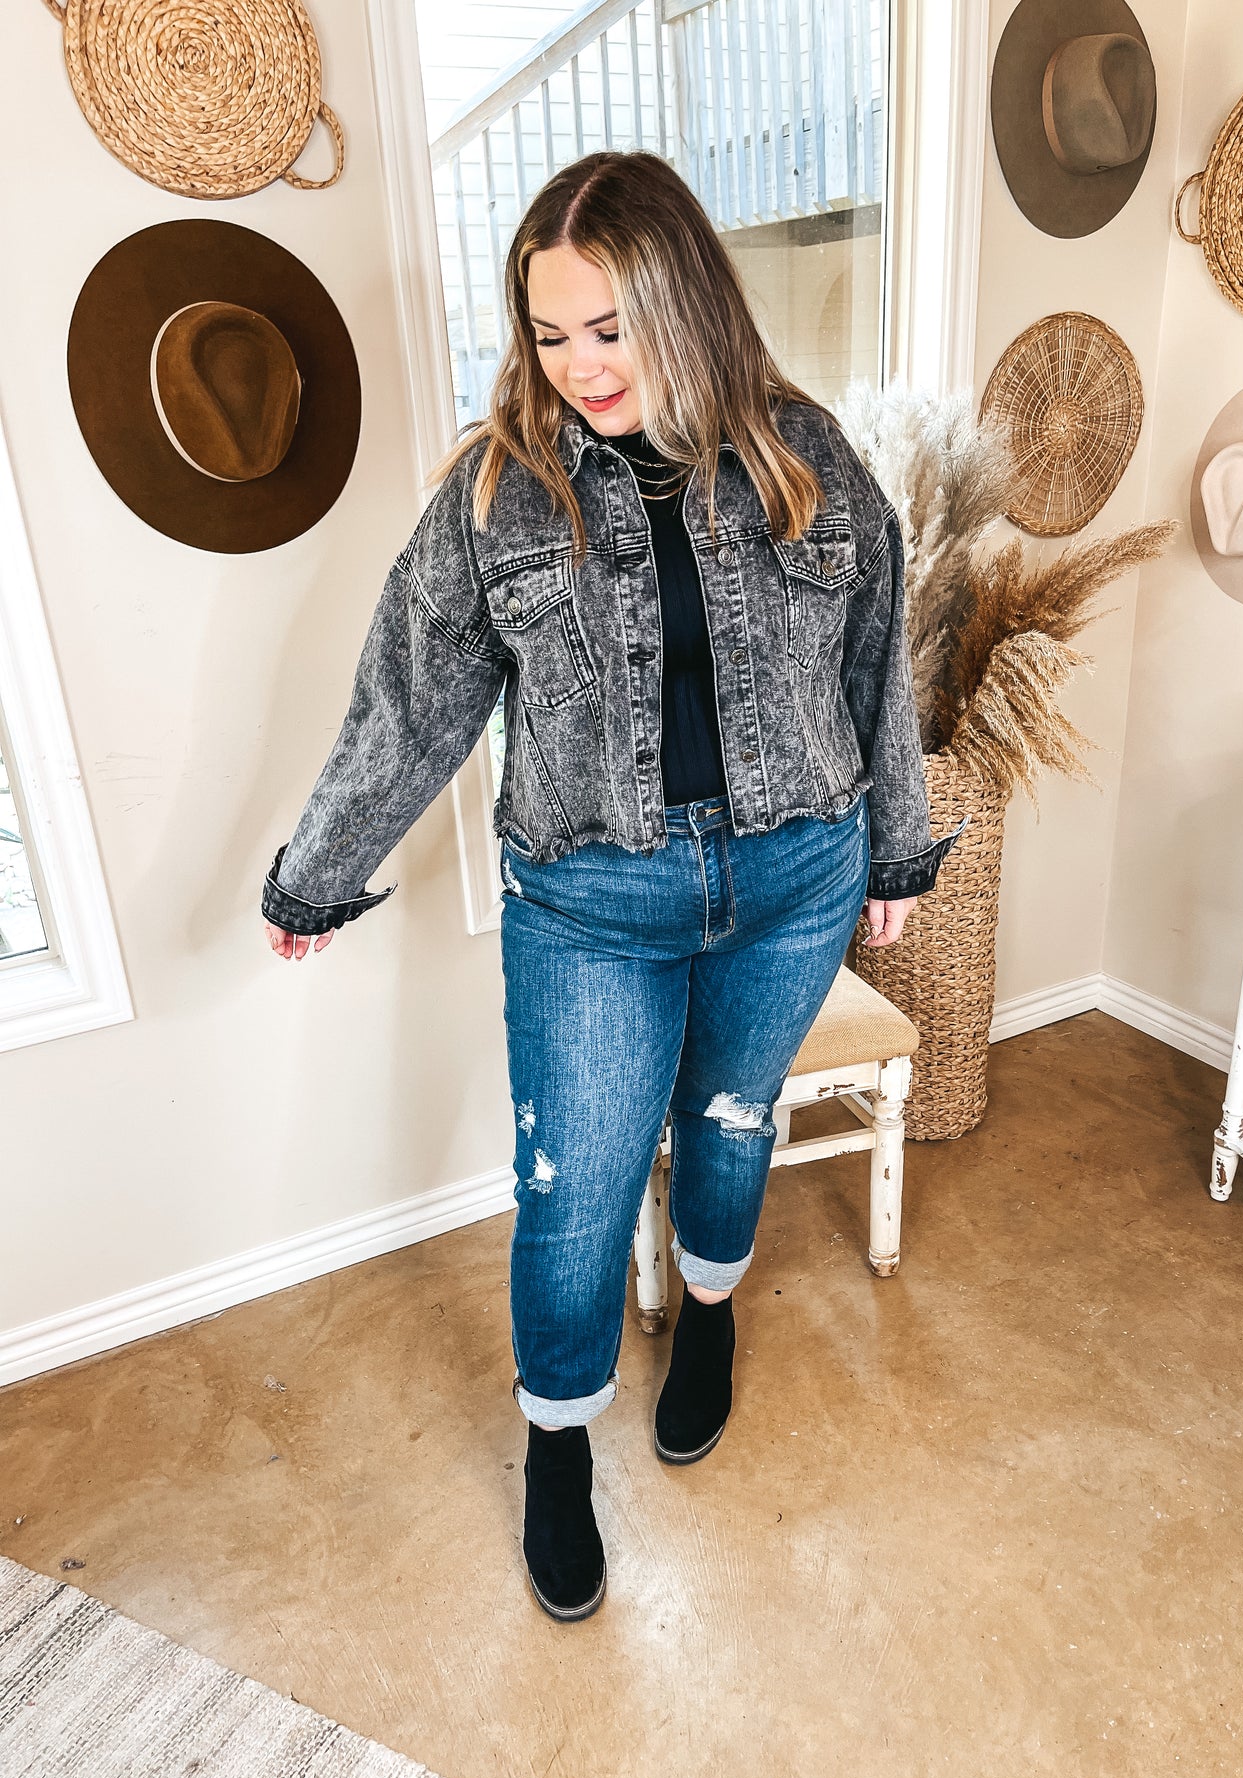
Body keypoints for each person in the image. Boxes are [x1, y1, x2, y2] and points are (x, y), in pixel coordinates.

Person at [260, 149, 965, 1623]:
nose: (579, 365)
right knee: (572, 1195)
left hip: (795, 875)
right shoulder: (497, 496)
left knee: (730, 1125)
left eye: (610, 327)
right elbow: (410, 703)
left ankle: (707, 1317)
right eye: (549, 333)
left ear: (684, 305)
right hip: (591, 906)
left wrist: (895, 850)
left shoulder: (805, 452)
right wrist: (317, 875)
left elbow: (873, 667)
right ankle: (556, 1443)